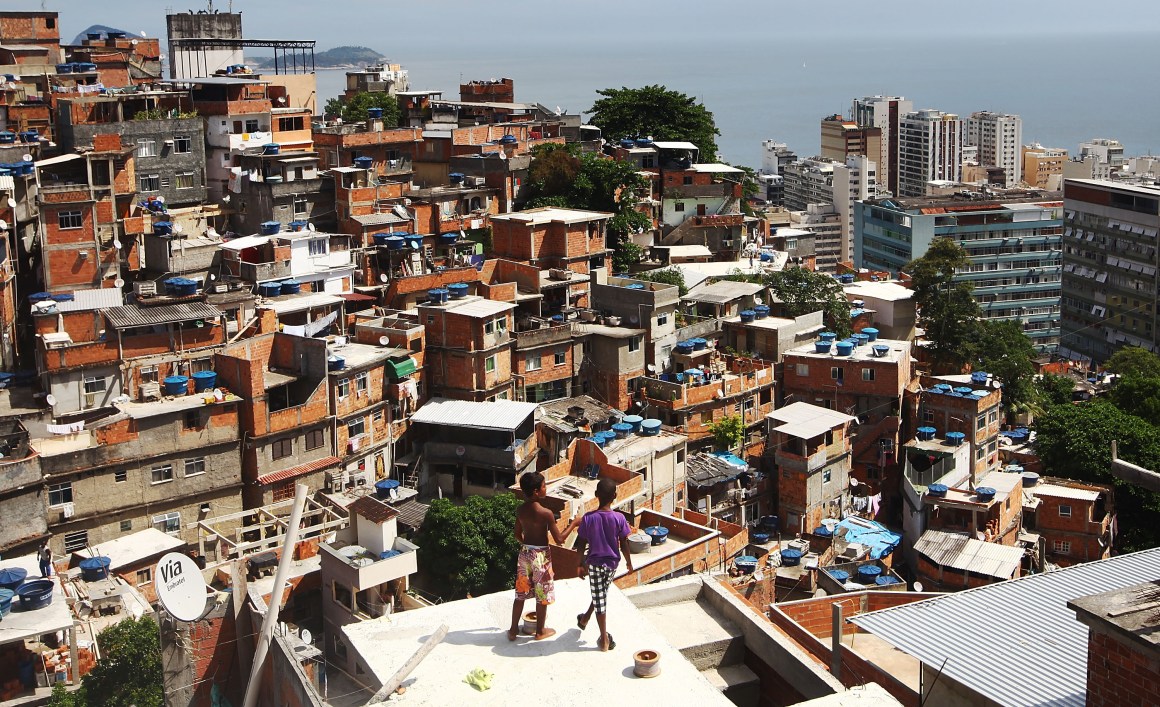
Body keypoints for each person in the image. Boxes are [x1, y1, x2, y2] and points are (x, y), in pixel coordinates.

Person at [574, 478, 634, 651]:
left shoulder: (588, 518)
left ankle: (604, 640)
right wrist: (629, 563)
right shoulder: (619, 518)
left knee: (600, 596)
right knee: (600, 594)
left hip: (594, 564)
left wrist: (579, 564)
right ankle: (584, 618)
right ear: (615, 496)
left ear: (596, 495)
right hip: (612, 564)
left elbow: (581, 543)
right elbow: (624, 543)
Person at [508, 471, 565, 641]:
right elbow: (560, 539)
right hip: (541, 556)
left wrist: (527, 544)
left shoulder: (521, 510)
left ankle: (512, 631)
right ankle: (540, 631)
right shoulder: (546, 513)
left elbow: (517, 533)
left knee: (521, 592)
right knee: (542, 594)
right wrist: (576, 523)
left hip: (525, 553)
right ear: (535, 491)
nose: (545, 488)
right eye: (543, 486)